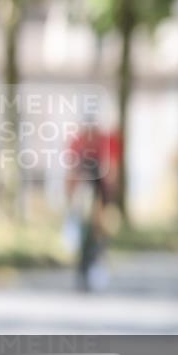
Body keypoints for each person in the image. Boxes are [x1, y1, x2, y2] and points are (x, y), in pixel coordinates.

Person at [64, 115, 120, 291]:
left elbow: (110, 168)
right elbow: (72, 170)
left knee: (95, 233)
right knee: (88, 233)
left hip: (97, 192)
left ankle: (92, 263)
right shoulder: (80, 141)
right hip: (86, 193)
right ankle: (86, 265)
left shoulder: (102, 140)